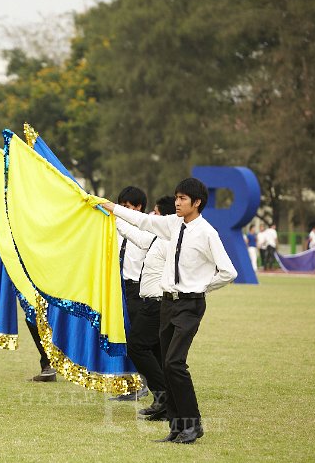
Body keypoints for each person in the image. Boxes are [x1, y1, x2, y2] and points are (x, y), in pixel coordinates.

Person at [101, 178, 237, 444]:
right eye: (176, 197)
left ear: (196, 203)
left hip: (189, 304)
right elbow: (142, 222)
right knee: (166, 362)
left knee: (175, 363)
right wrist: (110, 207)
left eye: (183, 199)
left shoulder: (207, 233)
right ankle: (176, 427)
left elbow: (228, 272)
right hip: (167, 303)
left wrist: (199, 287)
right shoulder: (173, 225)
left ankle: (192, 424)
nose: (177, 202)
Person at [114, 195, 176, 421]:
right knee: (159, 352)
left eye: (157, 214)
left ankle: (163, 395)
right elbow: (135, 235)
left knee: (137, 347)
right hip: (154, 303)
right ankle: (166, 402)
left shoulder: (169, 241)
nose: (153, 217)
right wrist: (112, 214)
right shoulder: (158, 239)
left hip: (157, 303)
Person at [109, 186, 150, 402]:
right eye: (121, 206)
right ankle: (126, 385)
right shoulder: (114, 228)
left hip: (137, 289)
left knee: (137, 339)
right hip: (118, 286)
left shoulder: (148, 230)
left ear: (138, 207)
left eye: (127, 207)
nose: (123, 210)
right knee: (120, 336)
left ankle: (142, 384)